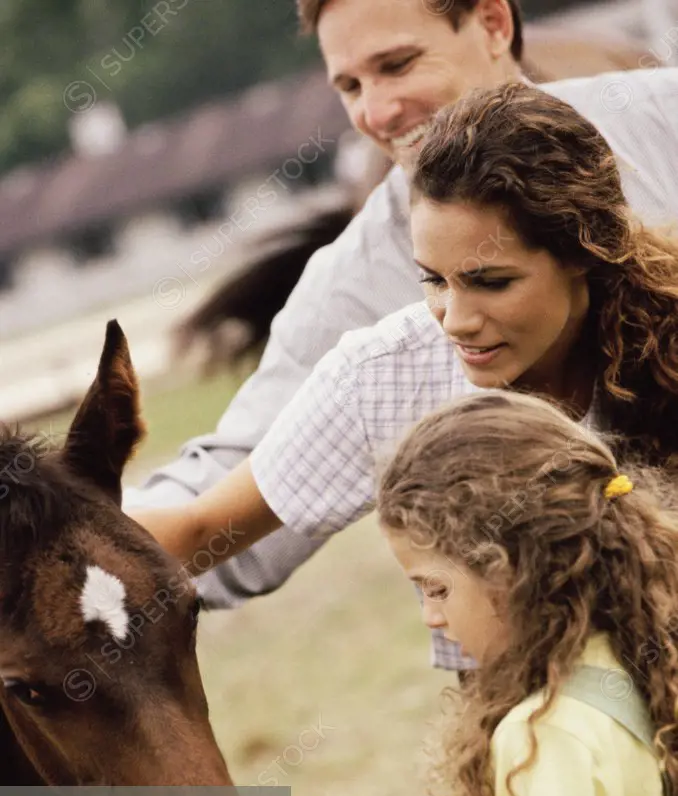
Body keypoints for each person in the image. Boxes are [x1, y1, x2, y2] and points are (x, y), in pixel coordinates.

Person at [126, 0, 678, 621]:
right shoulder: (367, 319)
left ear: (494, 24)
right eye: (350, 85)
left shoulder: (663, 118)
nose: (377, 112)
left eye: (399, 63)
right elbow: (229, 495)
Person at [307, 388, 678, 796]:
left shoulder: (544, 735)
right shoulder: (636, 672)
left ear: (513, 569)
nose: (429, 616)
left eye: (436, 587)